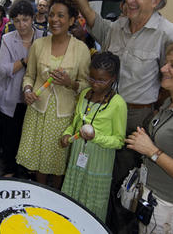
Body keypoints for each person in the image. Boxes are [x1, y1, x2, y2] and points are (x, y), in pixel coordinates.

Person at [61, 0, 173, 231]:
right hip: (103, 109)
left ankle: (116, 228)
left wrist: (155, 119)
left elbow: (171, 81)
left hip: (137, 115)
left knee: (124, 181)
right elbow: (90, 16)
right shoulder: (117, 27)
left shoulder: (167, 34)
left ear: (157, 1)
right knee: (96, 169)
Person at [16, 0, 90, 189]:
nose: (55, 20)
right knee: (39, 159)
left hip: (63, 116)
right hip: (38, 111)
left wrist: (70, 83)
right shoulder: (39, 45)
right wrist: (28, 90)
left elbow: (87, 86)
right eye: (51, 15)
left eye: (61, 16)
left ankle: (57, 194)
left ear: (72, 20)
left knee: (58, 160)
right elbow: (29, 75)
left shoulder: (81, 49)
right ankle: (40, 191)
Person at [126, 38, 173, 234]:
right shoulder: (169, 102)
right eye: (166, 63)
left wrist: (152, 151)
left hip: (168, 208)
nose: (163, 69)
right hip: (151, 197)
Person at [61, 52, 127, 222]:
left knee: (92, 205)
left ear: (112, 79)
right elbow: (75, 123)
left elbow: (119, 141)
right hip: (78, 155)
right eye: (92, 78)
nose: (95, 84)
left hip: (99, 161)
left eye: (101, 80)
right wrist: (67, 134)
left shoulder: (118, 103)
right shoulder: (85, 95)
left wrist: (95, 137)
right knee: (72, 198)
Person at [0, 0, 44, 176]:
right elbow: (2, 69)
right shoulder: (8, 39)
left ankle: (26, 170)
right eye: (17, 21)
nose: (21, 25)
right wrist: (24, 61)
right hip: (11, 97)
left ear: (32, 18)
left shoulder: (43, 38)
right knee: (11, 137)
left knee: (30, 137)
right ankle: (9, 170)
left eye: (25, 20)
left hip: (35, 97)